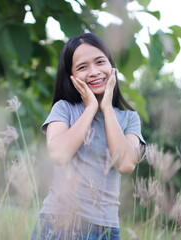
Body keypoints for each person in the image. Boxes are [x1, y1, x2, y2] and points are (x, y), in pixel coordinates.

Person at [31, 33, 146, 240]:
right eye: (82, 67)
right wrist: (91, 107)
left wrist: (107, 109)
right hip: (59, 223)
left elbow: (126, 164)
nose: (94, 72)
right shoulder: (64, 109)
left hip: (106, 229)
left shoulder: (129, 118)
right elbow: (58, 154)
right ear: (71, 76)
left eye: (100, 62)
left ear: (112, 66)